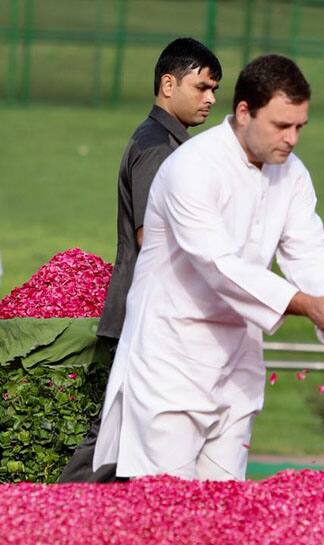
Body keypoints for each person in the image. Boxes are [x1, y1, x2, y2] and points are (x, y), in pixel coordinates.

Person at [92, 54, 324, 481]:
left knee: (227, 510)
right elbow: (218, 264)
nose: (292, 139)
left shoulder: (293, 174)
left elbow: (309, 249)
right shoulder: (191, 167)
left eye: (300, 126)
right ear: (244, 112)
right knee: (168, 513)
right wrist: (307, 306)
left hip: (237, 365)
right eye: (281, 126)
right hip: (171, 361)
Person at [58, 37, 222, 483]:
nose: (210, 99)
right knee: (115, 433)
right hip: (149, 313)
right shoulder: (158, 149)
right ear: (168, 84)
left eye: (215, 90)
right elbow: (156, 239)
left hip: (154, 311)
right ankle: (47, 514)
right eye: (202, 86)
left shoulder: (171, 144)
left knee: (132, 435)